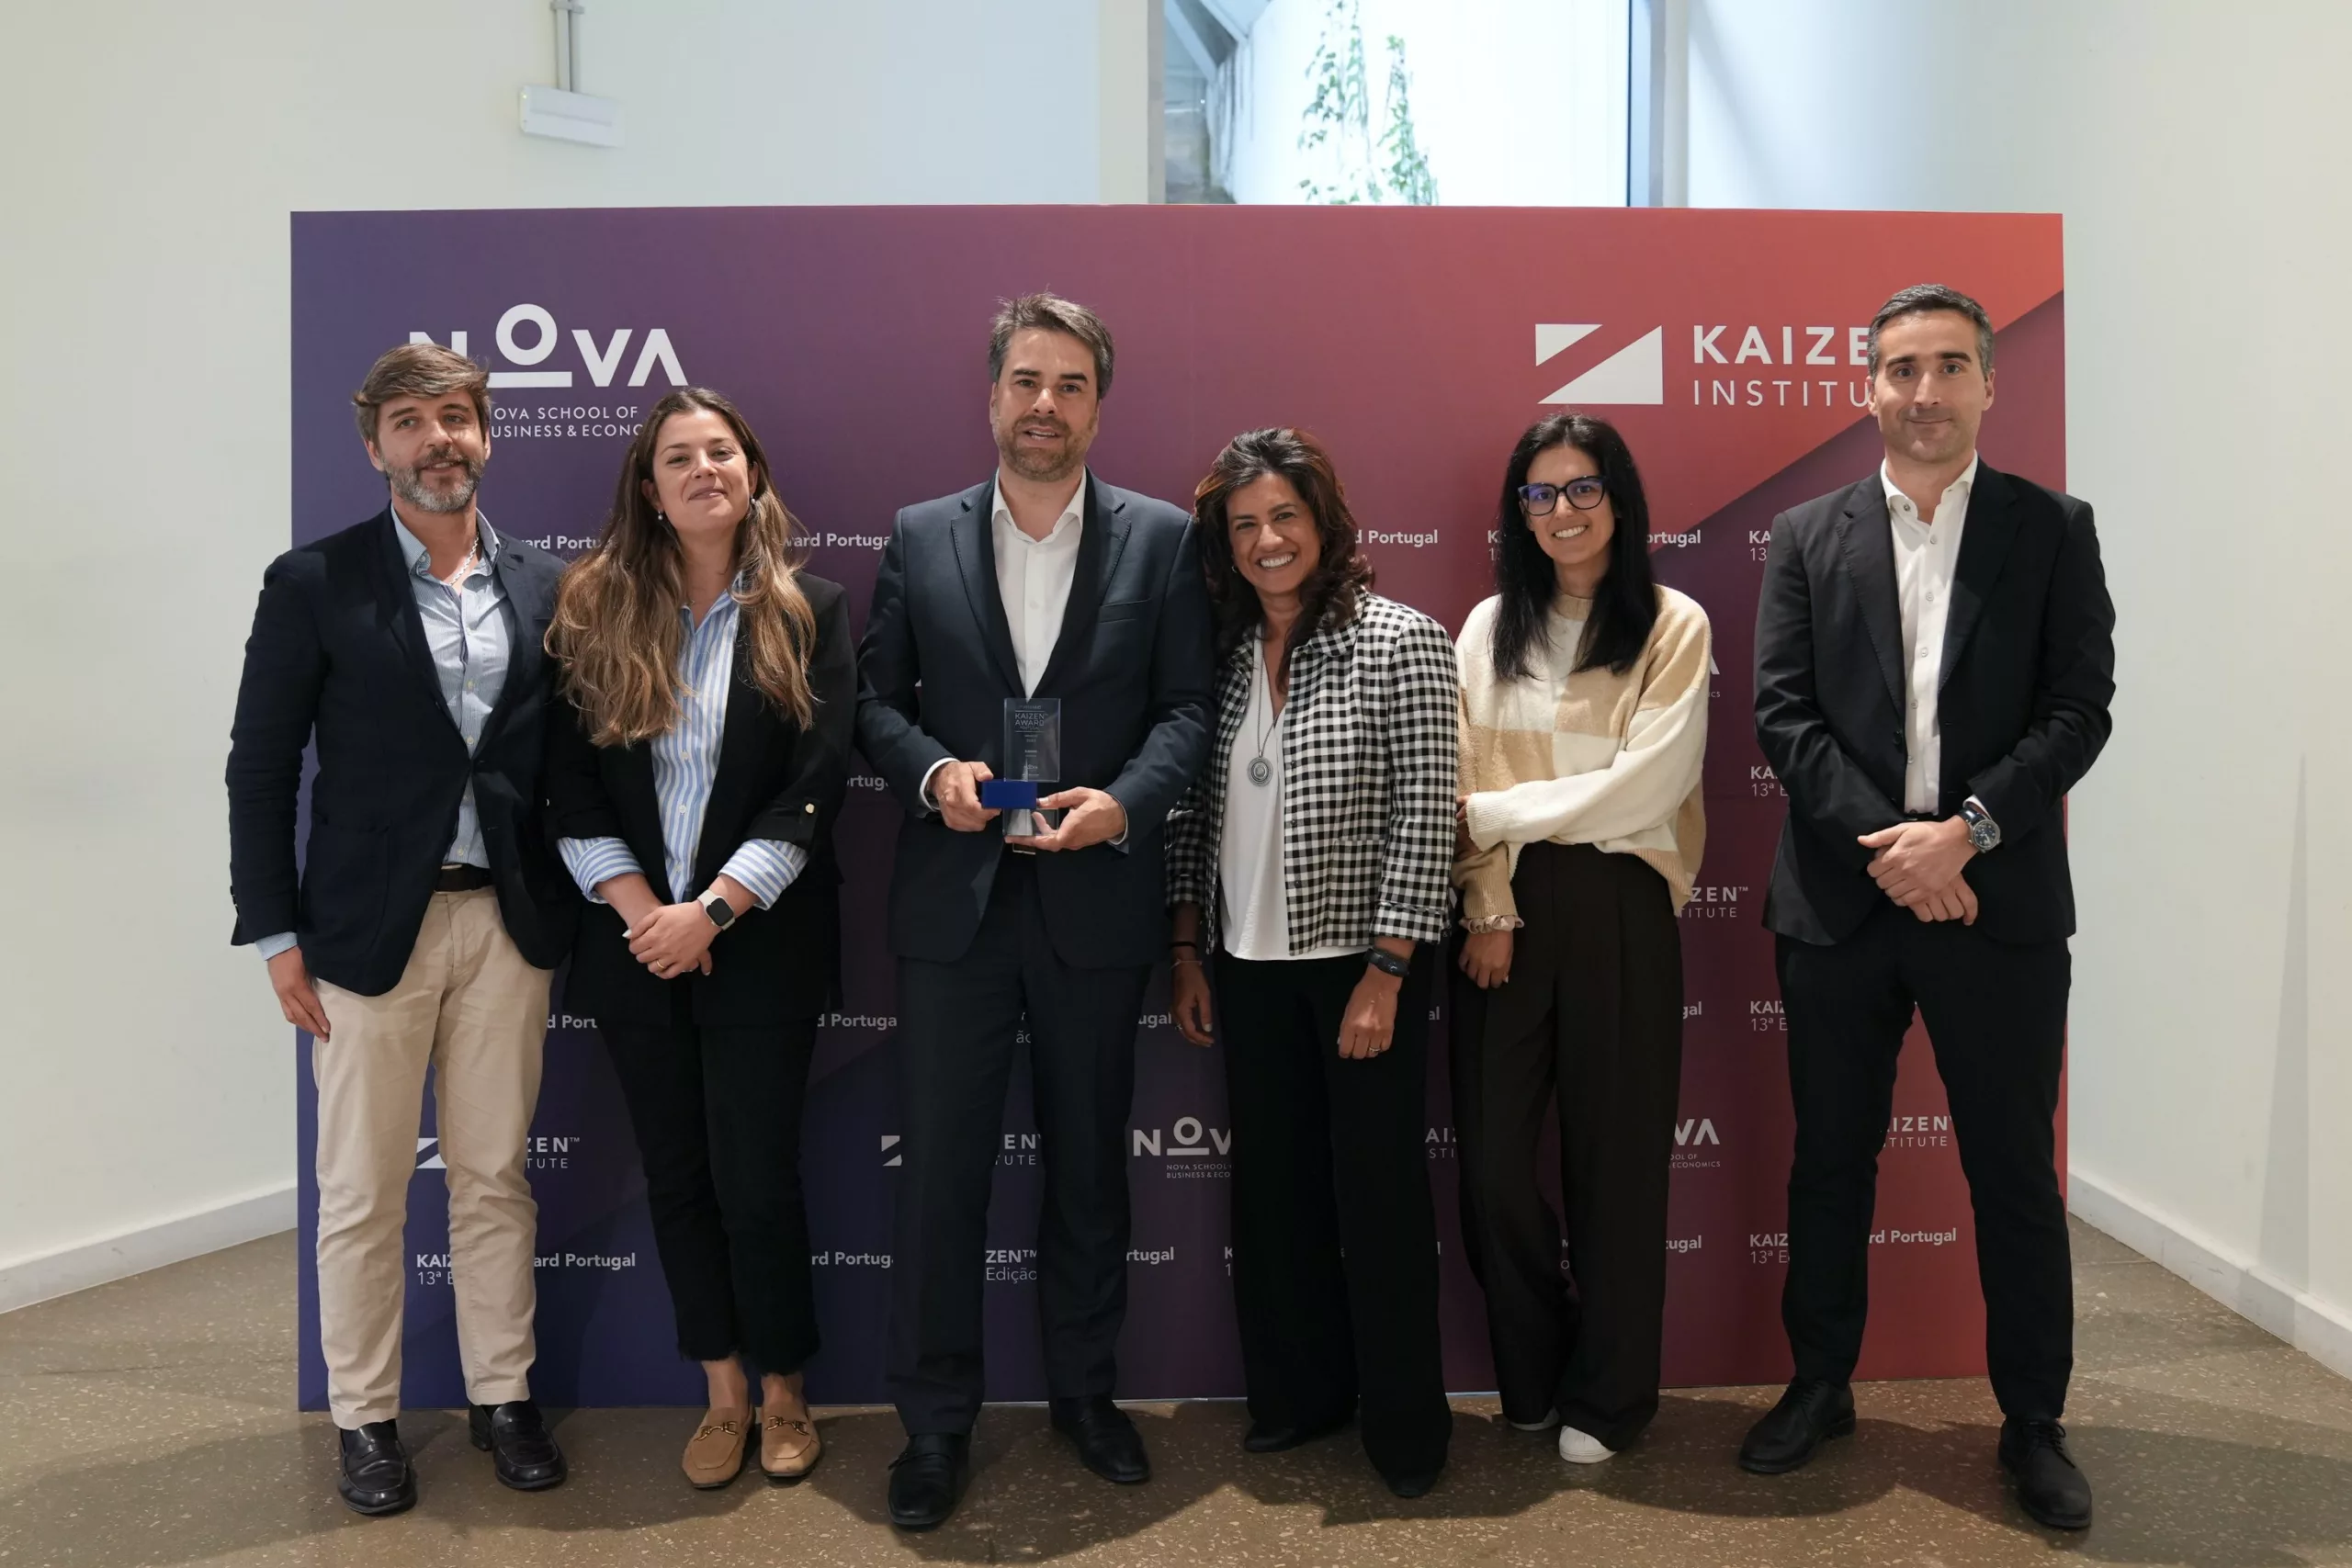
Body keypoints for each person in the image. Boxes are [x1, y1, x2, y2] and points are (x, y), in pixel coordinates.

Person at [1742, 284, 2115, 1530]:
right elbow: (1783, 713)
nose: (1925, 390)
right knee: (1829, 1158)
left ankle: (2034, 1421)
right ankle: (1819, 1384)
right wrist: (1892, 849)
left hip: (1994, 900)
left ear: (1989, 384)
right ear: (1868, 388)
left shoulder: (2051, 529)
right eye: (1902, 367)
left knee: (2012, 1173)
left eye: (1950, 365)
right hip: (1841, 902)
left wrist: (1965, 833)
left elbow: (2079, 708)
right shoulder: (1805, 534)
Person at [854, 293, 1214, 1530]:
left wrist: (1126, 804)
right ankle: (934, 1423)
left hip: (1092, 900)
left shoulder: (1163, 541)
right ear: (992, 394)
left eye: (1069, 384)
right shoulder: (921, 535)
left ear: (1098, 404)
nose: (1045, 404)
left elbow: (1188, 710)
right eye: (1026, 380)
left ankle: (1086, 1396)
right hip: (953, 905)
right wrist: (930, 776)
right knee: (938, 1177)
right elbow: (873, 703)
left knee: (1090, 1169)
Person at [225, 343, 575, 1516]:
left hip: (507, 926)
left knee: (494, 1179)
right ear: (375, 444)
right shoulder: (313, 582)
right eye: (414, 422)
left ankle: (503, 1397)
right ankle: (365, 1418)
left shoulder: (544, 583)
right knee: (365, 1191)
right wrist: (274, 932)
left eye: (457, 418)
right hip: (366, 935)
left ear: (487, 434)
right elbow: (261, 767)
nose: (439, 441)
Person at [545, 389, 854, 1490]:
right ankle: (722, 1393)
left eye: (721, 451)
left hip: (759, 943)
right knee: (677, 1177)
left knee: (756, 1179)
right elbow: (568, 787)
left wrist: (712, 911)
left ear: (752, 473)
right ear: (650, 488)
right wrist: (649, 920)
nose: (703, 469)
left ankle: (784, 1392)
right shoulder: (594, 611)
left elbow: (814, 788)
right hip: (635, 949)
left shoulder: (811, 611)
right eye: (679, 457)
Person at [1165, 428, 1459, 1498]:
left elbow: (1427, 815)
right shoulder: (1220, 655)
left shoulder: (1400, 641)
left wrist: (1387, 968)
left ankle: (1406, 1429)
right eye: (1244, 524)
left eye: (1284, 515)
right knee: (1275, 1195)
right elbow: (1191, 815)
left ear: (1324, 522)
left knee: (1377, 1198)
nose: (1267, 540)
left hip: (1360, 966)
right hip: (1245, 962)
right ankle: (1299, 1399)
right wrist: (1187, 947)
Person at [1449, 413, 1712, 1467]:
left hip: (1622, 905)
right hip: (1502, 916)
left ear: (1619, 499)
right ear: (1518, 512)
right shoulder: (1485, 629)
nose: (1562, 511)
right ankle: (1535, 1366)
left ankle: (1609, 1398)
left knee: (1619, 1166)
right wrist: (1490, 905)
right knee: (1491, 1171)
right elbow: (1459, 783)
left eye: (1582, 488)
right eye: (1540, 493)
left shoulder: (1670, 624)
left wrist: (1502, 818)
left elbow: (1649, 787)